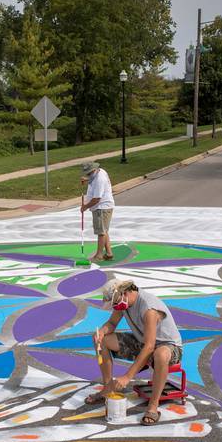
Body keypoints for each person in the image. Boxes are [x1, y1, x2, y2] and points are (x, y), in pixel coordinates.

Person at [86, 279, 183, 426]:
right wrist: (102, 332)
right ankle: (108, 389)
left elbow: (150, 347)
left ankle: (153, 406)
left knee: (160, 354)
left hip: (167, 347)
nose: (115, 306)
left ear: (125, 293)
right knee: (102, 340)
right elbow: (111, 324)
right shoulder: (122, 302)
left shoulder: (148, 308)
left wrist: (127, 377)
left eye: (115, 302)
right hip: (144, 342)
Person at [80, 161, 115, 261]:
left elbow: (96, 199)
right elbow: (93, 178)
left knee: (101, 232)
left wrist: (85, 207)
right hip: (102, 207)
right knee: (104, 230)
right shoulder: (100, 171)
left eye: (89, 173)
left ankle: (99, 255)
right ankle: (109, 253)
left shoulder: (100, 179)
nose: (88, 174)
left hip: (102, 207)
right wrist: (87, 179)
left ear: (94, 170)